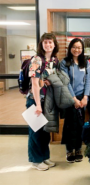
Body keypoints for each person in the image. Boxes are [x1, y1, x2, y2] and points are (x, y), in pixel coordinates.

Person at [26, 33, 59, 171]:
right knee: (35, 132)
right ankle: (36, 160)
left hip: (48, 101)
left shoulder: (54, 60)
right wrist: (38, 105)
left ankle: (45, 157)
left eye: (50, 42)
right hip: (35, 101)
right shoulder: (36, 60)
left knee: (45, 132)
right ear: (41, 44)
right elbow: (34, 84)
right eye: (45, 42)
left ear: (54, 44)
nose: (48, 45)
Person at [60, 38, 90, 163]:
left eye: (79, 47)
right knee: (70, 125)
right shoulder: (65, 62)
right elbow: (65, 82)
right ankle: (69, 150)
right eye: (74, 47)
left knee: (80, 124)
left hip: (82, 98)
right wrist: (73, 99)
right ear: (70, 48)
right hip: (69, 98)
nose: (77, 49)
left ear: (82, 49)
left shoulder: (86, 62)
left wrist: (85, 97)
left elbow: (88, 80)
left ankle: (78, 148)